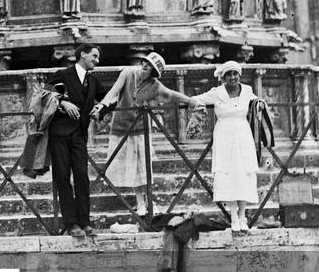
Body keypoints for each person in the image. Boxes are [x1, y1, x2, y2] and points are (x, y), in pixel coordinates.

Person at [90, 52, 191, 212]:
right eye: (145, 63)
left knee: (143, 167)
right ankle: (140, 202)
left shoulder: (154, 85)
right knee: (131, 167)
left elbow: (170, 94)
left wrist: (190, 100)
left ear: (153, 71)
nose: (145, 66)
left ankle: (147, 202)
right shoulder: (127, 73)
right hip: (122, 127)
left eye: (150, 66)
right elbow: (114, 91)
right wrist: (101, 105)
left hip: (140, 129)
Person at [187, 61, 260, 232]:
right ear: (223, 77)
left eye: (235, 73)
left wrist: (261, 104)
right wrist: (196, 106)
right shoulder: (217, 92)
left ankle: (243, 216)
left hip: (243, 134)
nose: (232, 77)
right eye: (228, 74)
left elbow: (258, 102)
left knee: (244, 173)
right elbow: (197, 99)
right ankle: (233, 216)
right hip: (224, 136)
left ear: (239, 75)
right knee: (229, 174)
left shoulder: (247, 90)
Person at [46, 43, 106, 237]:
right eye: (94, 56)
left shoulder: (93, 81)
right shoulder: (63, 74)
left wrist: (101, 108)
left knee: (82, 177)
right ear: (82, 55)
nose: (97, 60)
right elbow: (44, 93)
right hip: (59, 134)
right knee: (62, 177)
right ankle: (71, 224)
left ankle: (85, 222)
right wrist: (63, 102)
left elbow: (107, 98)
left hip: (79, 134)